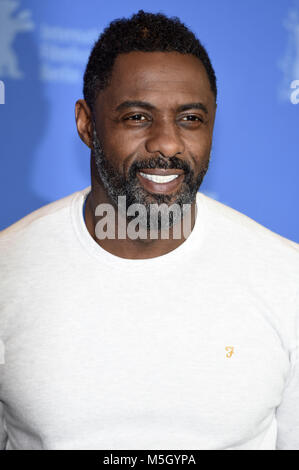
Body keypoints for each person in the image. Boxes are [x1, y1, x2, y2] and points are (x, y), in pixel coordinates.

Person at [0, 10, 298, 451]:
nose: (167, 143)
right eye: (138, 117)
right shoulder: (9, 270)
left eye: (191, 118)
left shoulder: (286, 277)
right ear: (86, 123)